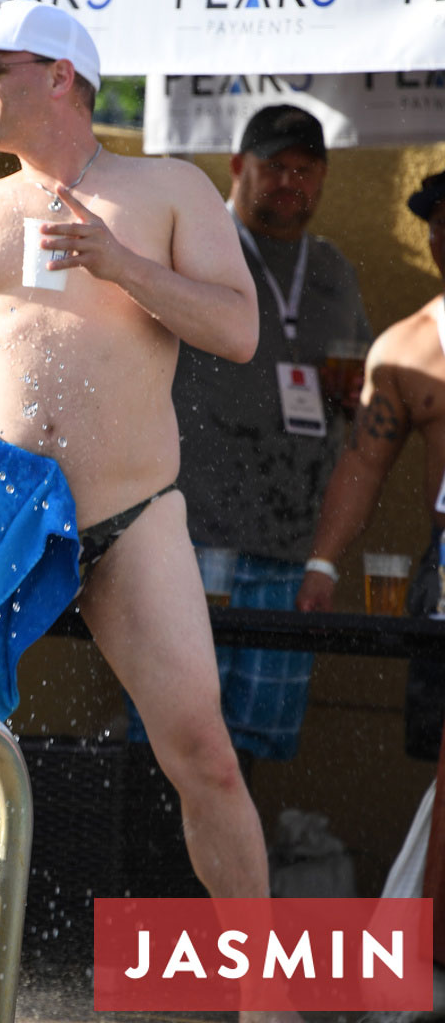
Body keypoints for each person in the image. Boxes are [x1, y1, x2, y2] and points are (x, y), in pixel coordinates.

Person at [0, 0, 291, 1023]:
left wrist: (123, 266)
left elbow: (240, 330)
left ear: (60, 73)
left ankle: (263, 999)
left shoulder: (168, 188)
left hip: (129, 518)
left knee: (202, 751)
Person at [168, 104, 371, 771]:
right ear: (237, 167)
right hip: (196, 533)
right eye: (275, 167)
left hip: (291, 546)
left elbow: (360, 384)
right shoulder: (196, 247)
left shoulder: (336, 270)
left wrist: (355, 390)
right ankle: (152, 877)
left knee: (256, 745)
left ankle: (229, 881)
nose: (291, 182)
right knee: (176, 733)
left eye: (306, 171)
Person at [296, 169, 445, 763]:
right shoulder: (407, 349)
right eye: (439, 224)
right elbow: (363, 463)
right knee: (439, 754)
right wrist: (322, 564)